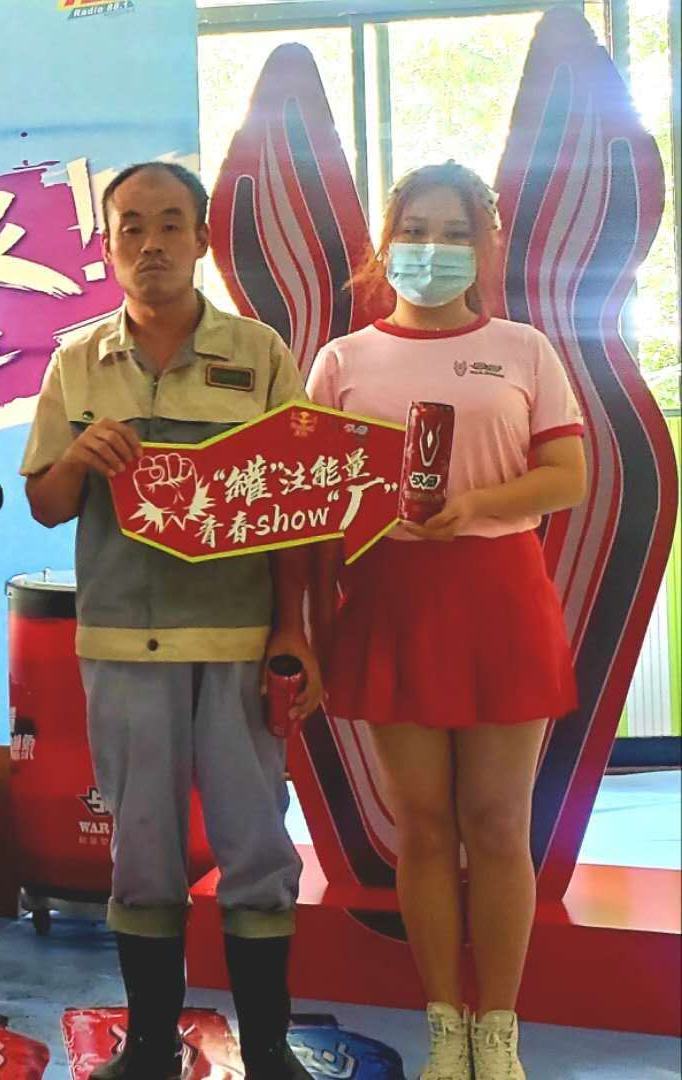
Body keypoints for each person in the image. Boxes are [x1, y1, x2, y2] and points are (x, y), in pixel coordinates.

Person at [21, 162, 319, 1080]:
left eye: (169, 225)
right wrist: (80, 456)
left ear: (201, 239)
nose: (150, 244)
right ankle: (149, 1047)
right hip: (122, 643)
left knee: (256, 847)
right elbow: (44, 505)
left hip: (237, 641)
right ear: (108, 246)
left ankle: (266, 1049)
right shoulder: (78, 363)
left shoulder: (259, 354)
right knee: (142, 854)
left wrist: (293, 631)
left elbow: (297, 503)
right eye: (131, 228)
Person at [306, 162, 586, 1080]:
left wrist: (473, 507)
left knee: (498, 825)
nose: (434, 249)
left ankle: (497, 1031)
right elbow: (316, 496)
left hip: (500, 597)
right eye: (417, 231)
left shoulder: (523, 349)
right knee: (423, 827)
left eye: (455, 232)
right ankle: (444, 1029)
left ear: (485, 244)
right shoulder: (343, 360)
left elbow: (567, 478)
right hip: (391, 601)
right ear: (387, 245)